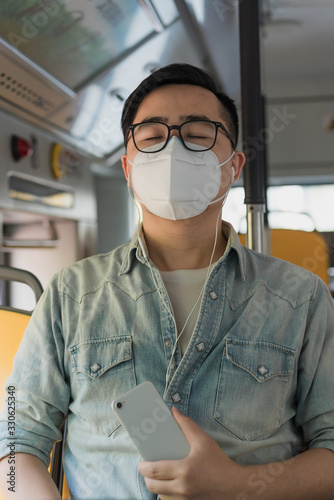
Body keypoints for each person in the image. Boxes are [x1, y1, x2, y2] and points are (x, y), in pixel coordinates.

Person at [1, 63, 334, 500]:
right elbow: (13, 441)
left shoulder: (301, 296)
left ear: (233, 167)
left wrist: (234, 486)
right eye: (153, 136)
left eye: (198, 134)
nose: (173, 149)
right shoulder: (70, 294)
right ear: (128, 167)